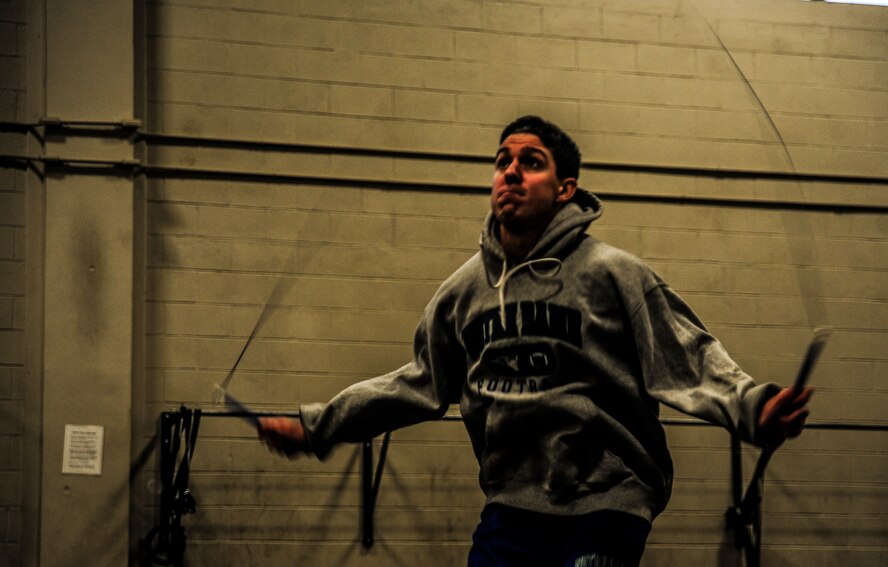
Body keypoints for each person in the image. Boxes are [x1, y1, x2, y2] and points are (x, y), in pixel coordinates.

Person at [258, 116, 812, 567]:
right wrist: (318, 426)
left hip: (608, 499)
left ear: (564, 188)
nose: (511, 173)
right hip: (512, 506)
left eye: (531, 162)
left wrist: (754, 405)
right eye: (503, 162)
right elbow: (417, 384)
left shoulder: (612, 274)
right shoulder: (462, 293)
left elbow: (687, 359)